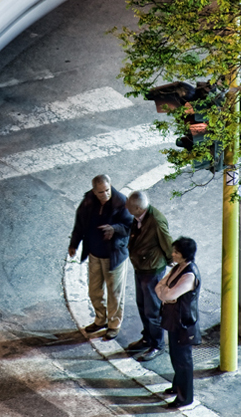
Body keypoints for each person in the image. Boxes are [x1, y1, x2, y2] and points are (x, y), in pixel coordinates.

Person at [69, 174, 132, 340]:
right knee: (94, 291)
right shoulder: (88, 201)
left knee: (114, 294)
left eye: (107, 190)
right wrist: (74, 244)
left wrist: (115, 228)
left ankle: (113, 325)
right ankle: (100, 319)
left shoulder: (122, 203)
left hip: (114, 257)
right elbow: (80, 224)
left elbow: (130, 227)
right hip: (95, 254)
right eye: (100, 192)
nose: (105, 195)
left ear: (110, 186)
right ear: (94, 191)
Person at [125, 191, 173, 361]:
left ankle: (157, 344)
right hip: (141, 268)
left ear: (138, 208)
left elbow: (167, 244)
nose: (126, 206)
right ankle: (147, 338)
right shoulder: (139, 217)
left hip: (152, 271)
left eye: (129, 205)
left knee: (152, 310)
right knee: (142, 305)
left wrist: (170, 261)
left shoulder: (156, 221)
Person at [155, 237, 202, 409]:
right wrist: (165, 292)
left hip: (183, 322)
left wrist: (165, 292)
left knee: (183, 360)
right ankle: (177, 387)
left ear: (184, 255)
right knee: (175, 356)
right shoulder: (178, 268)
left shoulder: (189, 275)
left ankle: (185, 397)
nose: (172, 254)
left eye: (176, 252)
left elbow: (167, 294)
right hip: (173, 319)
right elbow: (160, 285)